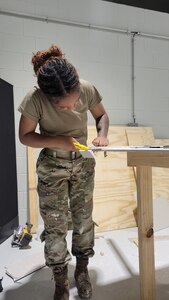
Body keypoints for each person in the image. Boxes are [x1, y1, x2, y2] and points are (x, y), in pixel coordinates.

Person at [18, 44, 109, 300]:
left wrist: (102, 135)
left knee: (83, 221)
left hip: (83, 164)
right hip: (52, 167)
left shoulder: (87, 88)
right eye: (64, 108)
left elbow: (102, 116)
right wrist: (58, 141)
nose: (72, 109)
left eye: (75, 103)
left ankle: (81, 272)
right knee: (56, 226)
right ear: (49, 98)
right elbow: (24, 136)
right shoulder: (35, 99)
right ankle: (60, 280)